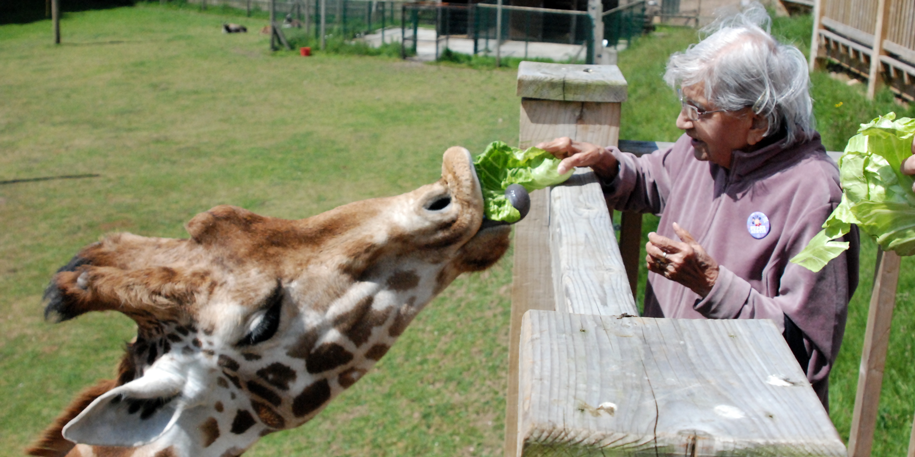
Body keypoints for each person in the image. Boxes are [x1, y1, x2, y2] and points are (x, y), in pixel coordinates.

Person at [537, 3, 859, 411]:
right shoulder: (704, 152)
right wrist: (606, 163)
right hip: (666, 391)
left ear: (757, 122)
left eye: (699, 110)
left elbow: (806, 351)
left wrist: (711, 283)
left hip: (746, 419)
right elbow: (654, 179)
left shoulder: (818, 198)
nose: (681, 122)